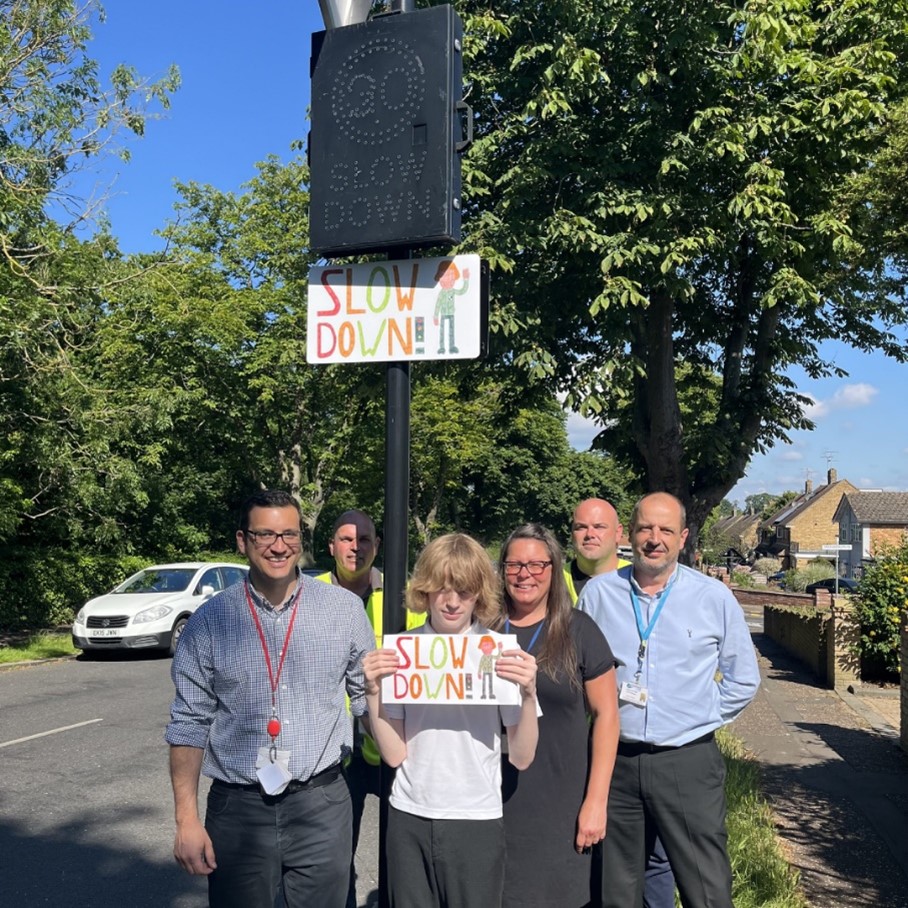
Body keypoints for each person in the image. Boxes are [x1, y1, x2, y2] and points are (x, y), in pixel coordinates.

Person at [166, 490, 375, 908]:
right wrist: (185, 819)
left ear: (302, 539)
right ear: (242, 541)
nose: (279, 546)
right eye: (265, 535)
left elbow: (367, 701)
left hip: (322, 804)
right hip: (238, 809)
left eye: (289, 535)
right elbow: (189, 723)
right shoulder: (209, 622)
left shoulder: (345, 611)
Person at [579, 492, 760, 908]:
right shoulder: (598, 596)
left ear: (683, 537)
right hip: (616, 763)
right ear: (631, 534)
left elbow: (743, 679)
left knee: (706, 888)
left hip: (687, 761)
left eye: (665, 530)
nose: (654, 539)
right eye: (645, 528)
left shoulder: (712, 597)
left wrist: (697, 717)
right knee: (617, 888)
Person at [363, 533, 540, 908]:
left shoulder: (499, 652)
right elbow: (394, 755)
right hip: (410, 813)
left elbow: (522, 757)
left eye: (465, 589)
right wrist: (373, 692)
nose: (453, 601)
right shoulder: (403, 653)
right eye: (441, 588)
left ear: (479, 593)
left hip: (476, 817)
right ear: (424, 590)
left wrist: (528, 695)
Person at [496, 523, 620, 908]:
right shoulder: (481, 632)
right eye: (514, 565)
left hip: (558, 805)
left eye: (537, 565)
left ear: (554, 568)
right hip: (490, 800)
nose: (525, 575)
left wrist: (595, 802)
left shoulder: (578, 631)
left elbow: (607, 717)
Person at [566, 498, 675, 908]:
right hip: (572, 742)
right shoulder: (545, 579)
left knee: (649, 859)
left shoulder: (644, 584)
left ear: (619, 535)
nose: (589, 535)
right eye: (580, 527)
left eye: (599, 527)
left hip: (631, 741)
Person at [315, 508, 424, 907]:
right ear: (331, 546)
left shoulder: (405, 596)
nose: (355, 547)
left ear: (378, 546)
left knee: (403, 851)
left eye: (364, 540)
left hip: (396, 741)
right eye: (346, 539)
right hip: (339, 752)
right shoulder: (312, 598)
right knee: (336, 854)